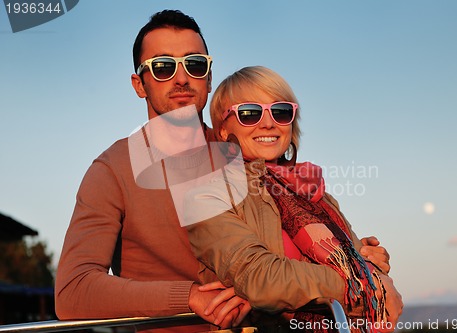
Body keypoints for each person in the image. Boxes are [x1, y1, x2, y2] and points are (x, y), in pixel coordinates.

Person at [55, 9, 392, 333]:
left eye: (195, 64)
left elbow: (285, 239)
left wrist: (351, 253)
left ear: (209, 77)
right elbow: (73, 290)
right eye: (162, 67)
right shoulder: (113, 171)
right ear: (139, 84)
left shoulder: (244, 146)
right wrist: (186, 297)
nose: (182, 78)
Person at [185, 66, 403, 332]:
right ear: (222, 130)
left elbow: (364, 263)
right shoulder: (207, 195)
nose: (268, 123)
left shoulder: (316, 195)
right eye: (249, 113)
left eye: (280, 111)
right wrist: (365, 284)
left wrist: (372, 264)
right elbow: (261, 278)